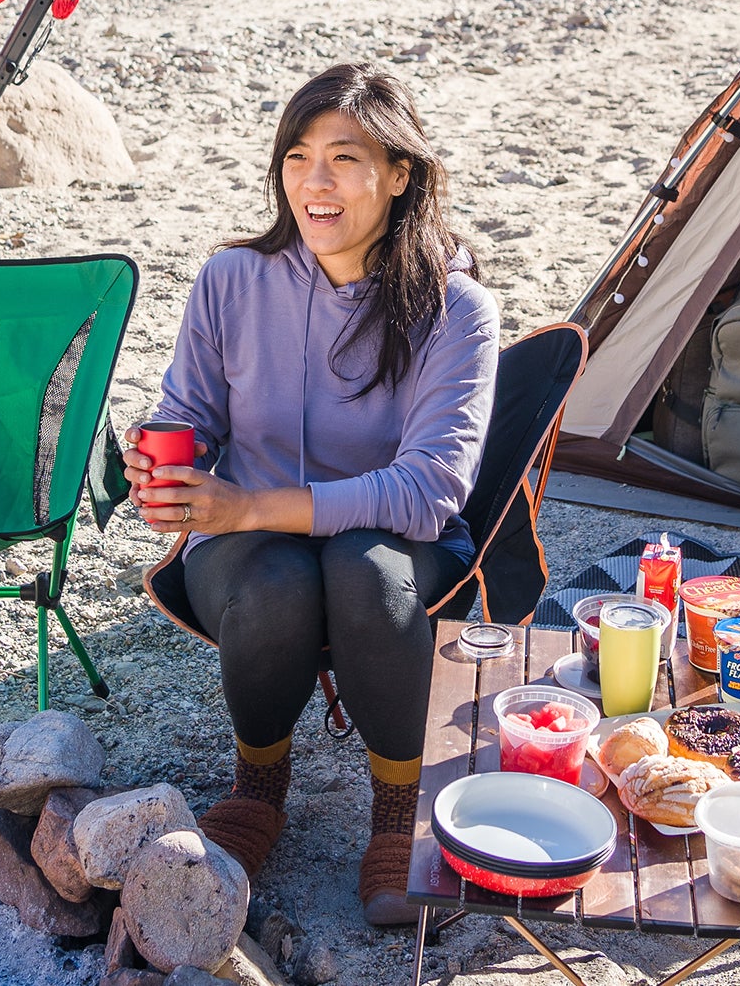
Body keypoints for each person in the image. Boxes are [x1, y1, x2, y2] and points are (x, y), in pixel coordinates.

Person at [125, 64, 499, 926]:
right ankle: (259, 783)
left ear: (401, 174)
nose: (313, 183)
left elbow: (430, 488)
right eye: (297, 156)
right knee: (277, 581)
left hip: (396, 545)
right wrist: (165, 461)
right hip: (250, 551)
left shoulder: (455, 307)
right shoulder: (232, 279)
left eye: (344, 157)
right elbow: (189, 412)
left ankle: (399, 805)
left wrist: (250, 506)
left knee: (363, 570)